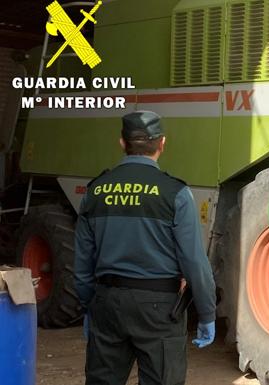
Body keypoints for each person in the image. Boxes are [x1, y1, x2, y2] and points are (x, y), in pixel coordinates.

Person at [74, 110, 216, 385]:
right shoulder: (175, 193)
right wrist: (207, 312)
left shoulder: (96, 191)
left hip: (107, 303)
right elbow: (194, 263)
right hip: (159, 308)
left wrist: (88, 306)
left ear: (122, 143)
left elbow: (82, 262)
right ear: (162, 143)